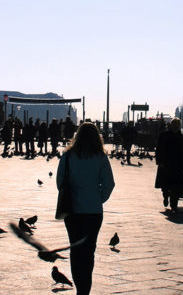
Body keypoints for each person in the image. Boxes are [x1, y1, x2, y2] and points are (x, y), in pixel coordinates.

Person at [56, 122, 114, 295]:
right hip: (93, 211)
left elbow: (60, 182)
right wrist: (98, 198)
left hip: (72, 211)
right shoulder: (101, 157)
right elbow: (109, 184)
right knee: (89, 251)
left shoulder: (67, 156)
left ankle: (79, 286)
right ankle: (84, 290)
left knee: (76, 250)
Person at [155, 119, 183, 212]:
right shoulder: (164, 135)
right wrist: (159, 161)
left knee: (175, 186)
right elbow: (159, 149)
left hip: (175, 164)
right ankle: (166, 196)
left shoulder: (180, 136)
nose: (176, 127)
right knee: (166, 185)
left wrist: (182, 165)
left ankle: (174, 204)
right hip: (166, 163)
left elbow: (182, 152)